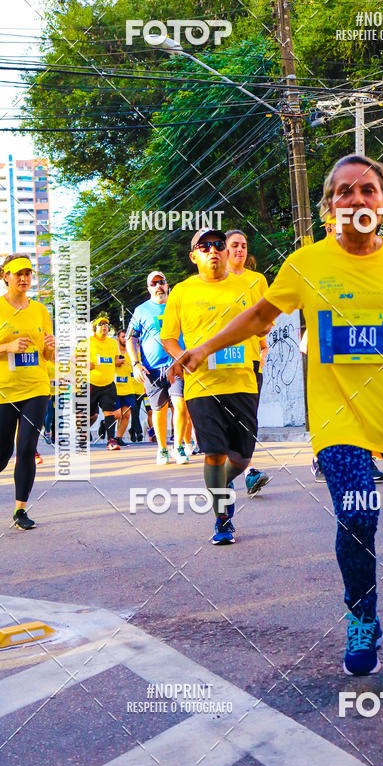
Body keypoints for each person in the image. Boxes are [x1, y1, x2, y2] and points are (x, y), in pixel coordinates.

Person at [179, 156, 383, 678]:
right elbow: (258, 316)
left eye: (368, 190)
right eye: (343, 192)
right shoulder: (306, 264)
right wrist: (204, 348)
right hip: (340, 419)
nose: (356, 199)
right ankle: (362, 618)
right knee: (358, 515)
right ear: (328, 208)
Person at [161, 228, 259, 545]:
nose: (213, 250)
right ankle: (222, 518)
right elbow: (168, 337)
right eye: (204, 247)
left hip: (242, 380)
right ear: (194, 256)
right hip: (202, 386)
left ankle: (220, 483)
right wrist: (183, 356)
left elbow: (263, 322)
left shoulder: (247, 285)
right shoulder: (181, 292)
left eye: (218, 245)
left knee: (242, 457)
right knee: (215, 452)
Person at [306, 214, 383, 485]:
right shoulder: (316, 258)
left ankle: (366, 458)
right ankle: (321, 457)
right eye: (333, 225)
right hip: (327, 333)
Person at [0, 248, 55, 530]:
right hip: (0, 389)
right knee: (1, 452)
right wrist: (7, 347)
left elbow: (47, 355)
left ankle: (20, 510)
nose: (25, 278)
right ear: (6, 277)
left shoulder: (39, 310)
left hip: (35, 388)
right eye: (19, 274)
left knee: (26, 448)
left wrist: (50, 348)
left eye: (28, 273)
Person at [126, 271, 191, 465]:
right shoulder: (141, 311)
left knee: (181, 406)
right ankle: (162, 449)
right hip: (151, 370)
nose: (158, 287)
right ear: (148, 289)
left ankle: (178, 447)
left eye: (161, 282)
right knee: (159, 411)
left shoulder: (178, 306)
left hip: (176, 365)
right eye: (153, 284)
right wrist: (135, 364)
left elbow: (191, 330)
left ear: (167, 284)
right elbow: (131, 337)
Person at [226, 229, 270, 496]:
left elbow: (265, 319)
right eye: (234, 245)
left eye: (243, 245)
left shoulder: (258, 280)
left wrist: (263, 349)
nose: (240, 250)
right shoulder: (214, 282)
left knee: (246, 421)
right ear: (225, 250)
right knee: (227, 420)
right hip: (218, 363)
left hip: (250, 362)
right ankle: (232, 472)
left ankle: (246, 471)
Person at [84, 314, 122, 450]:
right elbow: (73, 358)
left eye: (106, 325)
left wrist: (123, 362)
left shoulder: (112, 343)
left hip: (108, 384)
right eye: (101, 324)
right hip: (91, 384)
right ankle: (81, 434)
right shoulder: (87, 342)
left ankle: (111, 440)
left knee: (109, 412)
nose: (104, 327)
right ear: (94, 328)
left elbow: (115, 360)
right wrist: (84, 363)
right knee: (90, 415)